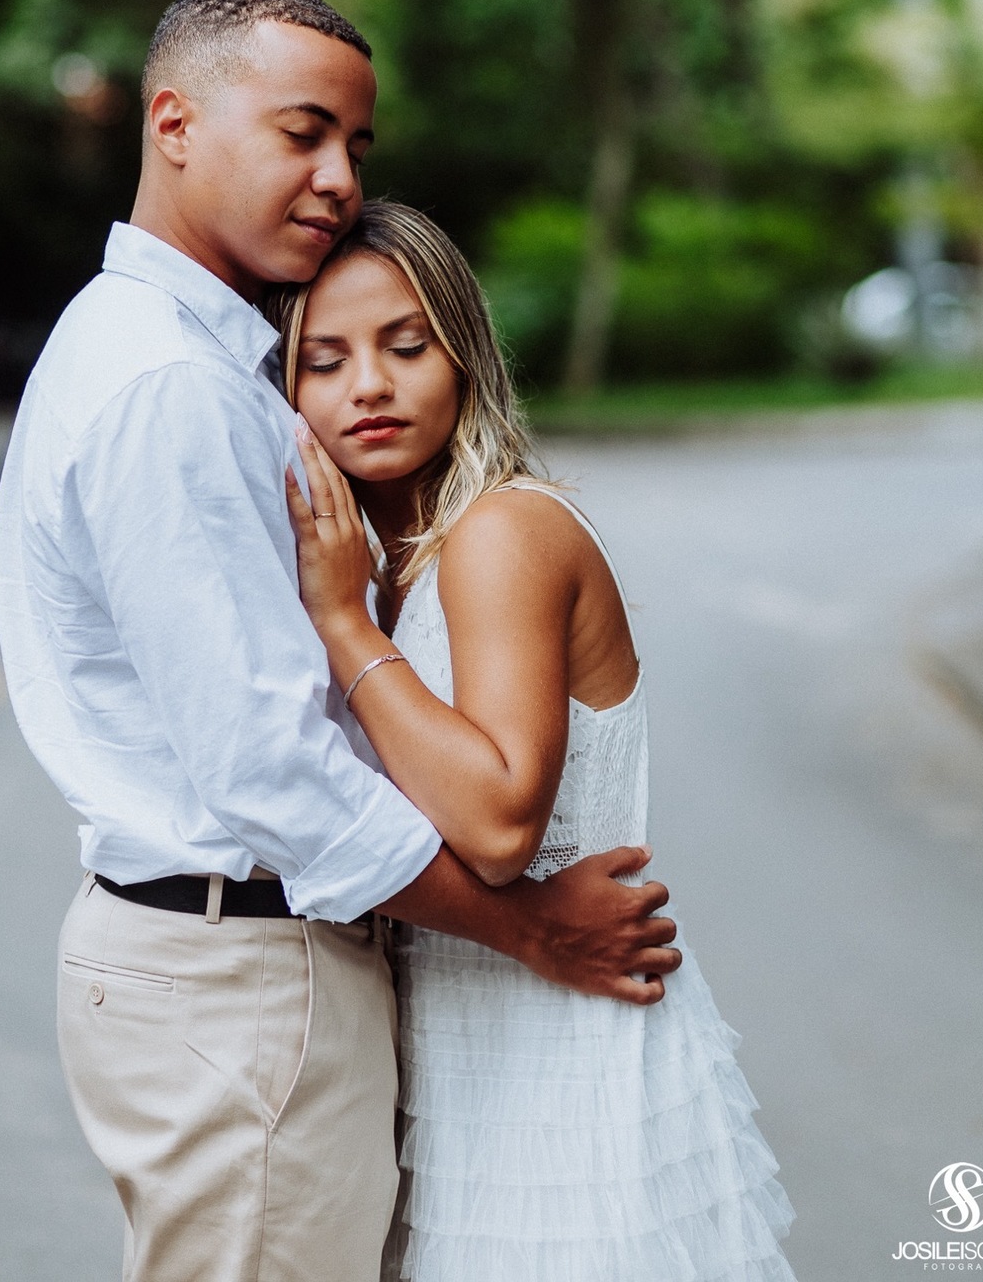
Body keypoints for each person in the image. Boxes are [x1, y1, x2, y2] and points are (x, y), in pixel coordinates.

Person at [0, 0, 681, 1282]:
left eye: (356, 146)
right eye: (304, 132)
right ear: (175, 122)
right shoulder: (170, 387)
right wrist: (531, 928)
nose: (337, 178)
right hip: (239, 972)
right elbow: (265, 767)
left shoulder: (169, 351)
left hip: (241, 964)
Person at [278, 199, 798, 1282]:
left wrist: (342, 625)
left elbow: (502, 820)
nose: (367, 385)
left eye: (405, 345)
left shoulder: (500, 533)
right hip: (463, 1055)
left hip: (557, 1063)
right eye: (323, 361)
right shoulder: (398, 557)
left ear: (465, 355)